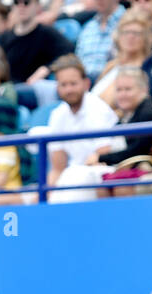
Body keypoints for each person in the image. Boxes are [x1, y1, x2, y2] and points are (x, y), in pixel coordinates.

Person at [46, 55, 121, 202]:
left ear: (86, 83)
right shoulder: (57, 115)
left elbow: (102, 155)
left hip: (101, 172)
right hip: (72, 175)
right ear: (57, 87)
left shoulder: (98, 109)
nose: (69, 90)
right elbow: (57, 168)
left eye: (73, 84)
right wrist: (47, 194)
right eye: (64, 84)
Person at [0, 0, 75, 107]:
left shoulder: (47, 33)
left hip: (32, 91)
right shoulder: (4, 38)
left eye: (26, 2)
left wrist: (46, 69)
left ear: (37, 6)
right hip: (7, 88)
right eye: (17, 2)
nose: (21, 6)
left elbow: (68, 51)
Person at [97, 66, 152, 166]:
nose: (122, 94)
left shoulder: (149, 113)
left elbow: (136, 152)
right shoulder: (129, 113)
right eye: (119, 90)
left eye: (128, 89)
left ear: (144, 90)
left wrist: (100, 158)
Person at [95, 9, 152, 106]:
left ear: (146, 38)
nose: (130, 37)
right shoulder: (110, 66)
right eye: (126, 32)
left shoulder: (145, 68)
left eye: (136, 33)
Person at [79, 0, 127, 79]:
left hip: (114, 80)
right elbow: (78, 60)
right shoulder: (88, 26)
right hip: (84, 83)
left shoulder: (130, 22)